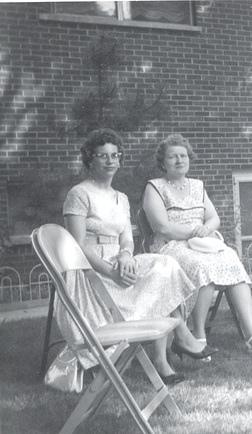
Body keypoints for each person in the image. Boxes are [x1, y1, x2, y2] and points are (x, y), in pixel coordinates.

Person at [61, 128, 216, 385]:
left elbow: (126, 238)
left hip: (118, 263)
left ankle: (171, 346)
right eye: (103, 156)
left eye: (115, 155)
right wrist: (110, 270)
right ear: (90, 159)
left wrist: (125, 255)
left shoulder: (120, 197)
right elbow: (76, 247)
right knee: (160, 279)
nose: (111, 161)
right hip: (91, 271)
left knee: (165, 264)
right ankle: (173, 346)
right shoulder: (79, 194)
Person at [143, 134, 252, 353]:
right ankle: (198, 335)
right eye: (172, 157)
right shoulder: (155, 187)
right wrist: (193, 232)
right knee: (203, 266)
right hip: (172, 246)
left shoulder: (197, 185)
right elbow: (162, 227)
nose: (179, 160)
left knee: (232, 260)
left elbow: (214, 218)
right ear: (162, 162)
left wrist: (206, 228)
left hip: (203, 242)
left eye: (183, 155)